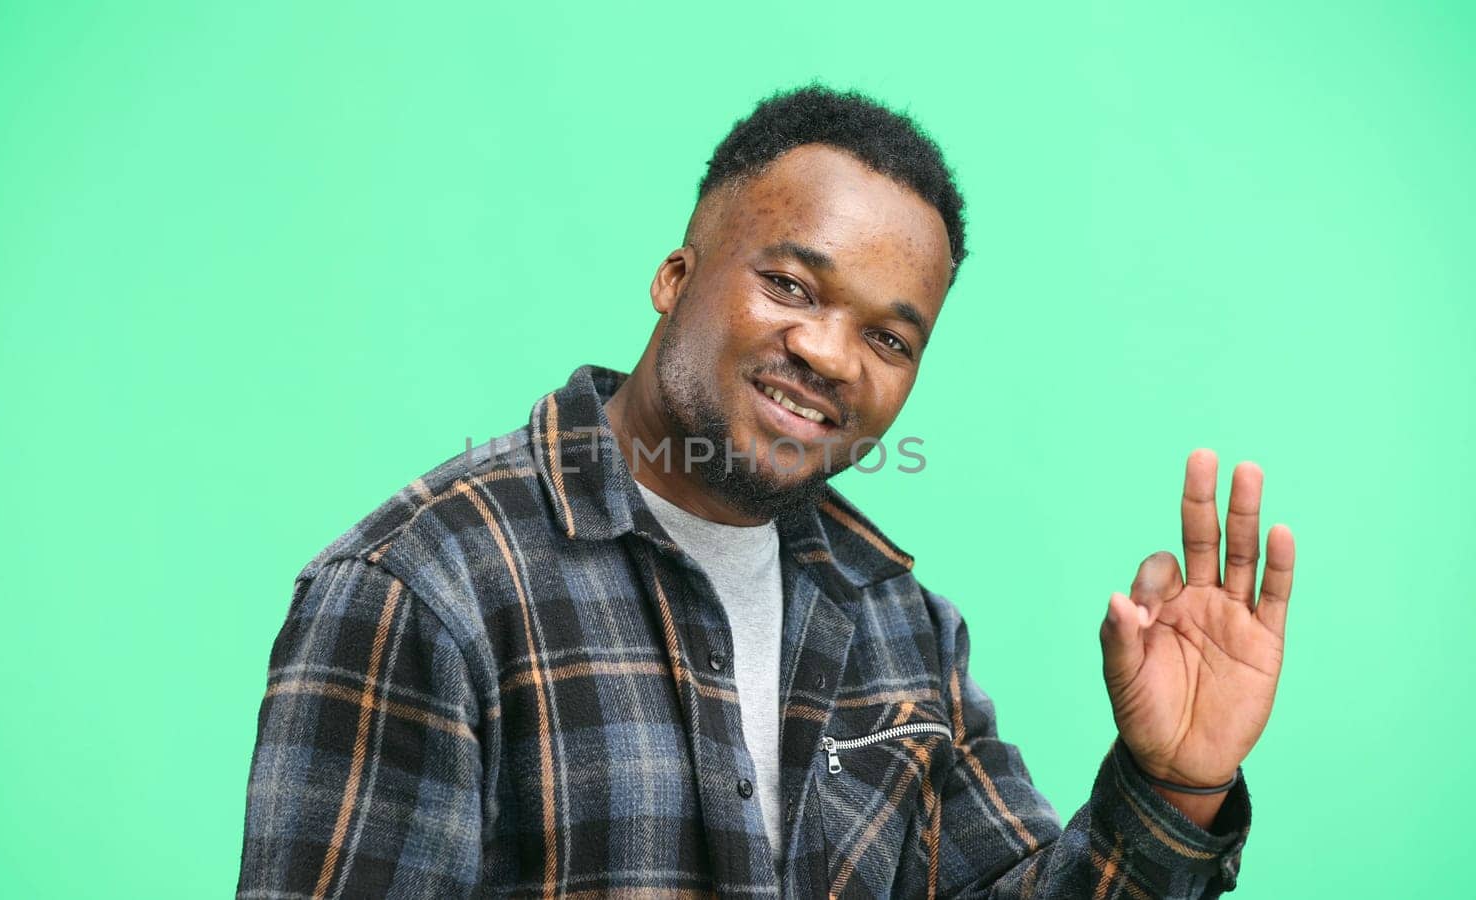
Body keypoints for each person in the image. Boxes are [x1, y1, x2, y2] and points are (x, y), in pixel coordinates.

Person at [235, 84, 1295, 899]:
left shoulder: (900, 624)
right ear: (674, 276)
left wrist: (1173, 788)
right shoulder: (423, 588)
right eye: (790, 285)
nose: (832, 355)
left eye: (888, 335)